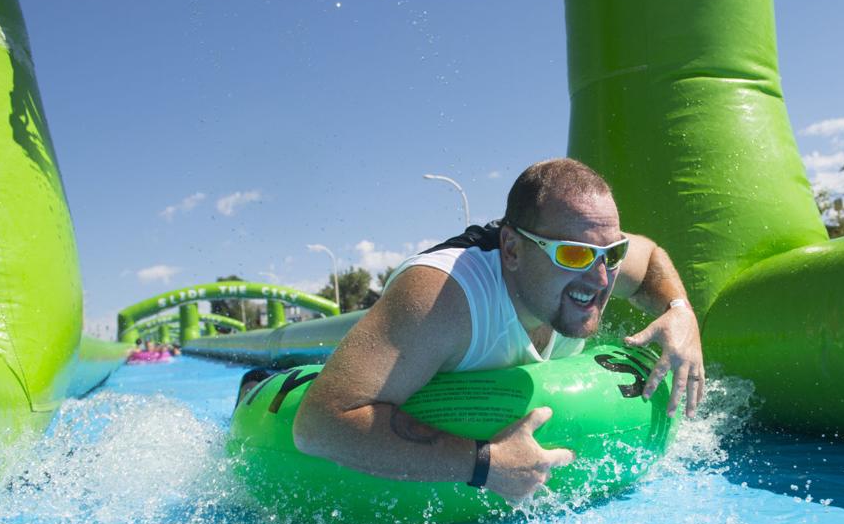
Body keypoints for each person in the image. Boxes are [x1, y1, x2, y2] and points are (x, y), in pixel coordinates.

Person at [293, 158, 704, 504]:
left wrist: (680, 311)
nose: (600, 278)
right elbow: (318, 424)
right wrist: (483, 463)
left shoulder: (596, 255)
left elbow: (650, 255)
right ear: (511, 249)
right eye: (574, 255)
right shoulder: (444, 301)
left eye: (611, 254)